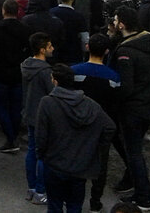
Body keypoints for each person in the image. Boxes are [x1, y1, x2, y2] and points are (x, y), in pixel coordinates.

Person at [35, 64, 116, 213]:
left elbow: (40, 136)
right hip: (80, 167)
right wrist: (94, 149)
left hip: (55, 163)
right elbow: (110, 127)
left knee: (54, 205)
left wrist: (42, 155)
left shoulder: (48, 102)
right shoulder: (91, 105)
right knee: (74, 205)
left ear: (55, 81)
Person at [110, 6, 150, 211]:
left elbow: (126, 86)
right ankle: (137, 185)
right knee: (134, 149)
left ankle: (144, 196)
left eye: (115, 20)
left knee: (134, 153)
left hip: (133, 109)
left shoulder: (126, 52)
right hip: (149, 104)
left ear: (121, 24)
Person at [0, 0, 31, 153]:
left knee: (2, 107)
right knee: (16, 107)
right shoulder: (24, 29)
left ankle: (10, 138)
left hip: (0, 74)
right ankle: (14, 135)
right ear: (17, 11)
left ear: (3, 11)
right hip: (17, 73)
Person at [22, 32, 55, 205]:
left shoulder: (26, 65)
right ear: (42, 49)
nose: (53, 49)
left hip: (29, 112)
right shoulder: (45, 71)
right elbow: (52, 93)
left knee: (31, 151)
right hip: (42, 116)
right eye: (50, 46)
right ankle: (41, 191)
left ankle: (32, 187)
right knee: (43, 154)